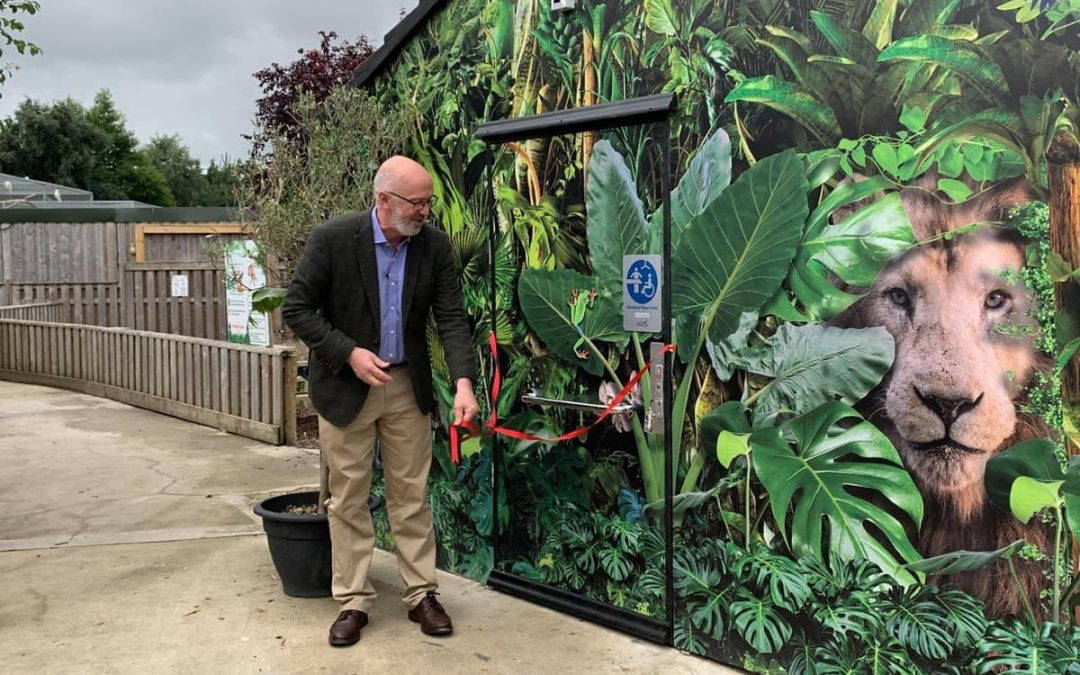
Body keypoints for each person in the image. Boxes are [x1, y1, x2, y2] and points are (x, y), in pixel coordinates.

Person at [282, 156, 479, 647]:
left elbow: (451, 317)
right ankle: (353, 601)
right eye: (417, 203)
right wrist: (348, 353)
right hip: (348, 386)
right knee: (348, 497)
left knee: (411, 494)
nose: (425, 212)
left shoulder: (433, 246)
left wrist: (463, 383)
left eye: (429, 202)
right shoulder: (333, 240)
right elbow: (297, 310)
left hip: (406, 386)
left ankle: (421, 594)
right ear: (383, 200)